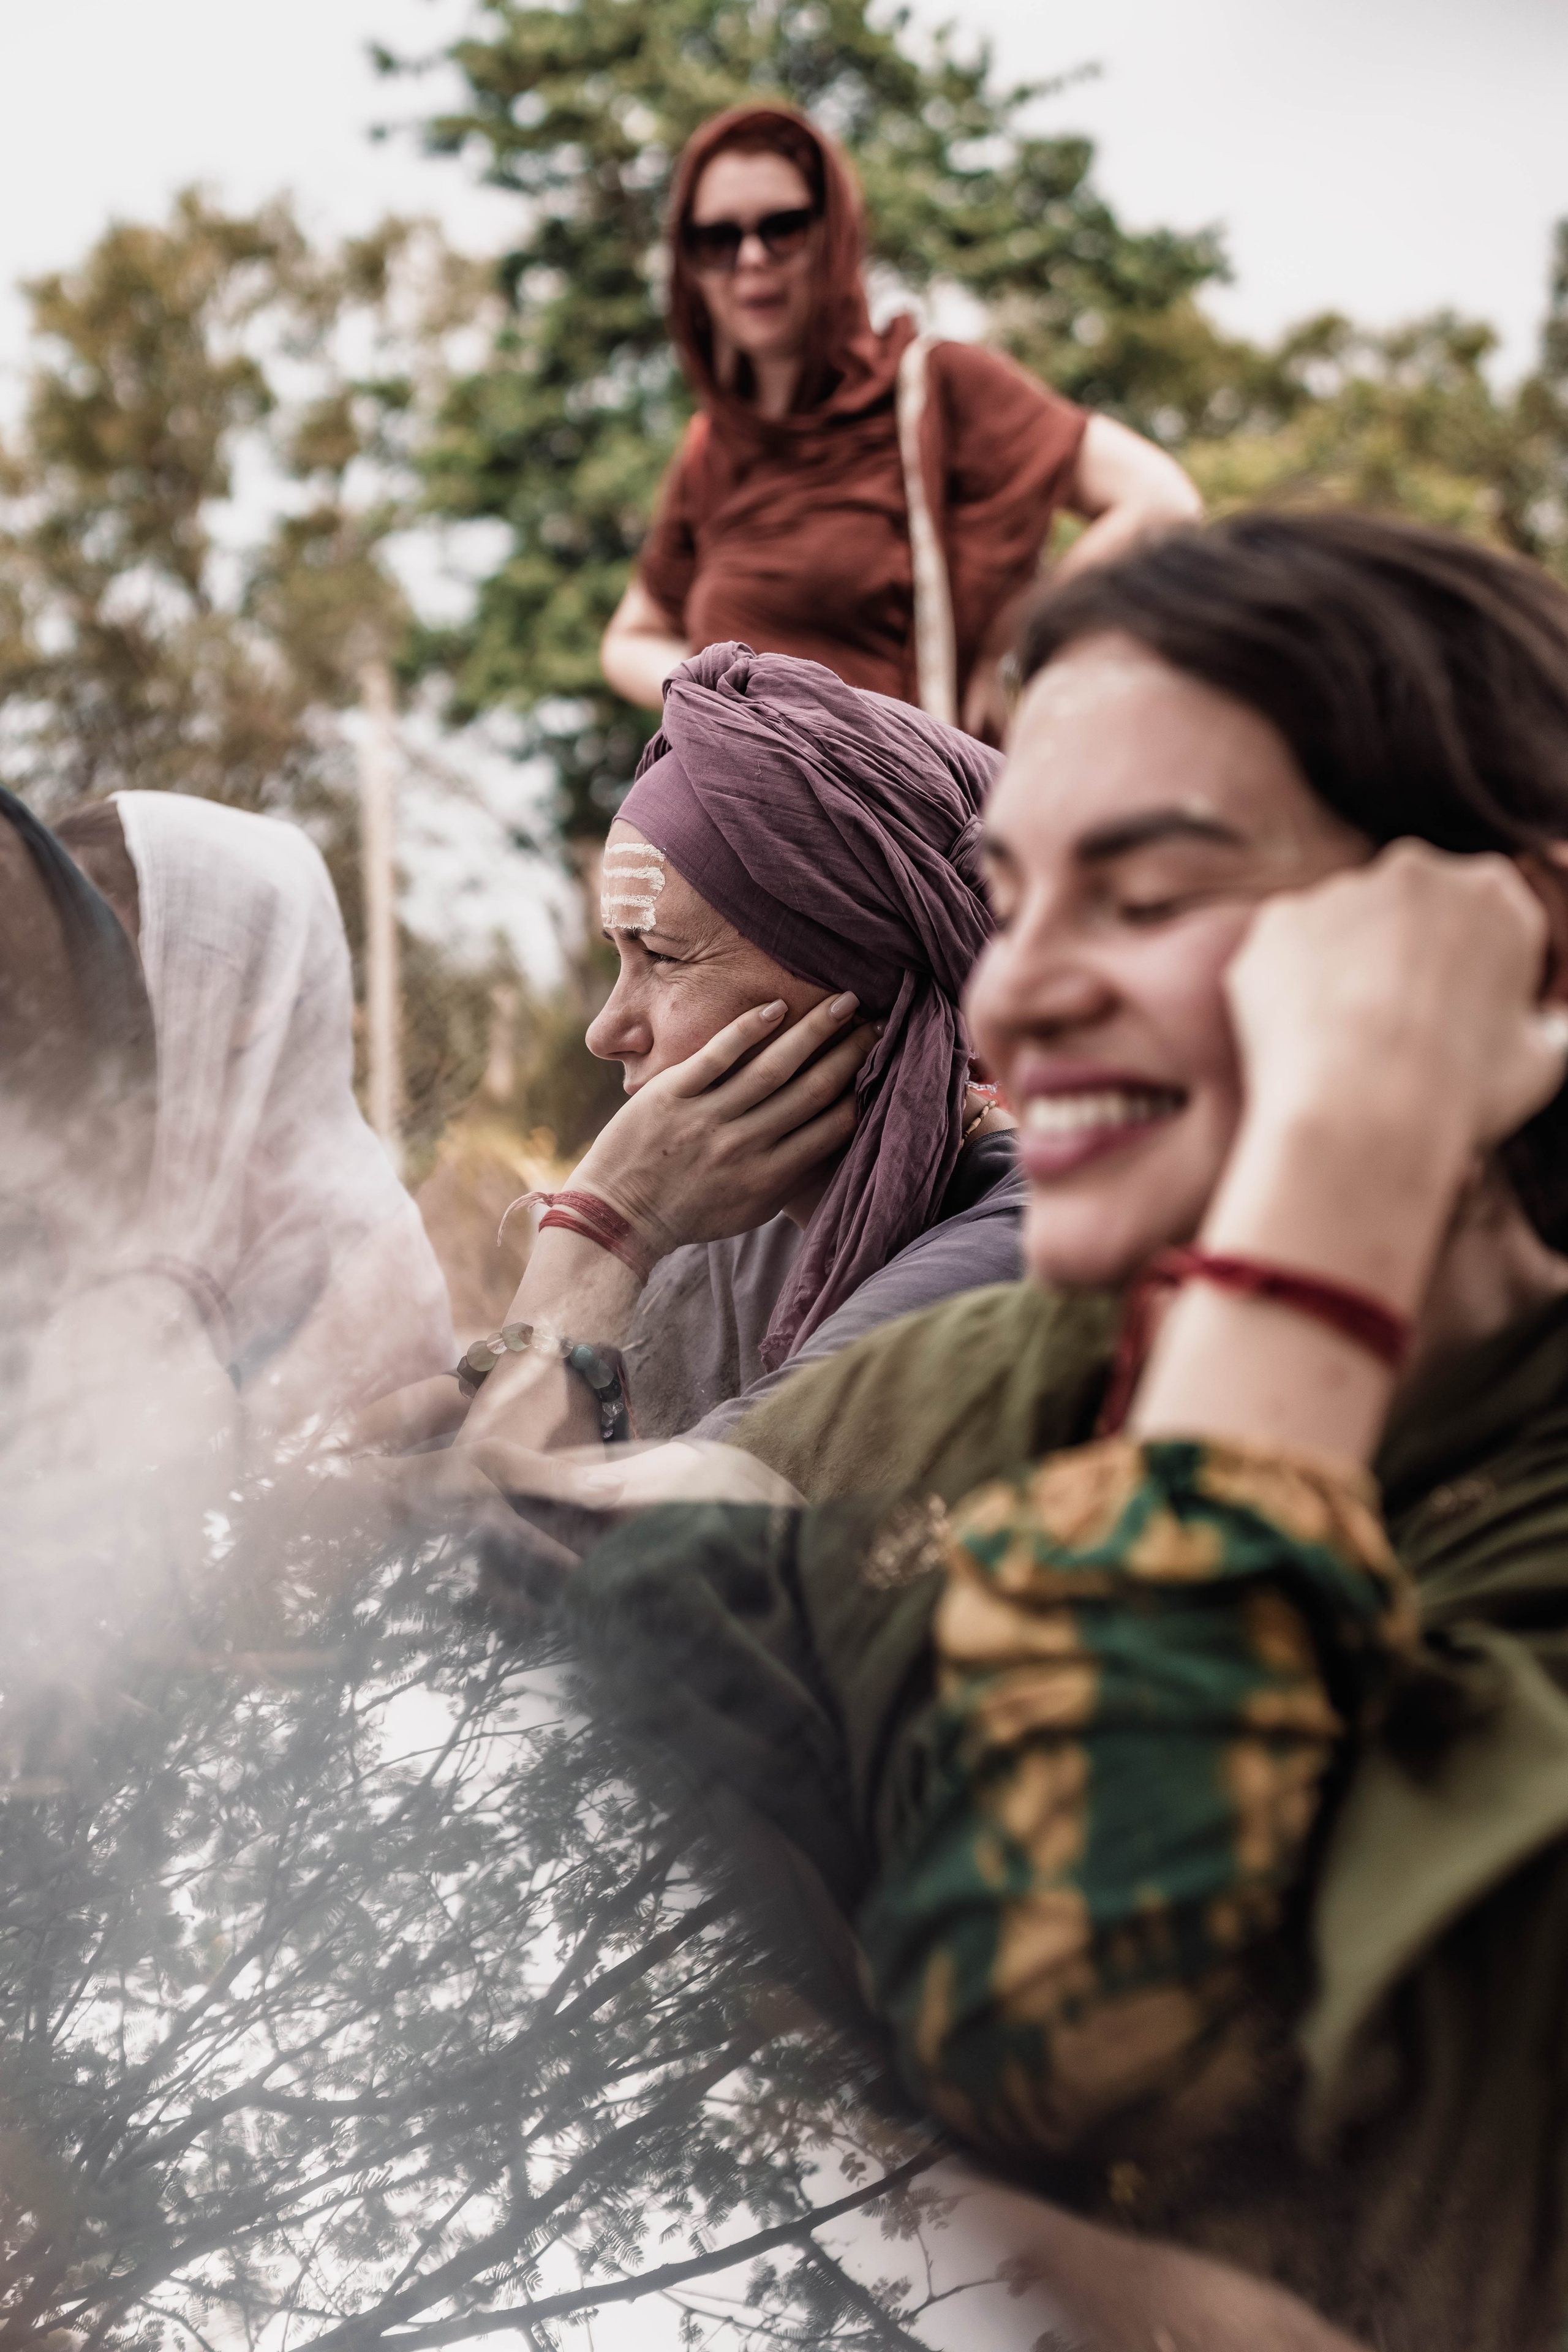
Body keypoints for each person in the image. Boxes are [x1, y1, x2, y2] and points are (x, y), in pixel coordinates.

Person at [563, 513, 1568, 2352]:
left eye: (1151, 890)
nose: (1015, 993)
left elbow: (1078, 2022)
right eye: (1013, 896)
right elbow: (551, 1650)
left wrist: (1328, 1215)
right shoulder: (991, 1373)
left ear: (1512, 942)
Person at [423, 639, 1022, 1494]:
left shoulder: (1004, 1263)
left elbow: (514, 1557)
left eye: (663, 958)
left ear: (852, 984)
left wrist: (606, 1229)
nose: (607, 1030)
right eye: (616, 961)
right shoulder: (735, 1231)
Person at [601, 103, 1200, 742]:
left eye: (783, 228)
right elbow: (628, 639)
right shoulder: (710, 451)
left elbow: (1161, 503)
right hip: (730, 818)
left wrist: (1014, 639)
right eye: (717, 239)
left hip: (899, 820)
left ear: (833, 238)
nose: (751, 258)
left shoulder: (938, 385)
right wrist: (725, 700)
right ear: (687, 264)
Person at [44, 789, 455, 1439]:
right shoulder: (67, 1181)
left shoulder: (356, 1247)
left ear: (250, 994)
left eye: (113, 970)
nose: (69, 1019)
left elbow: (333, 1505)